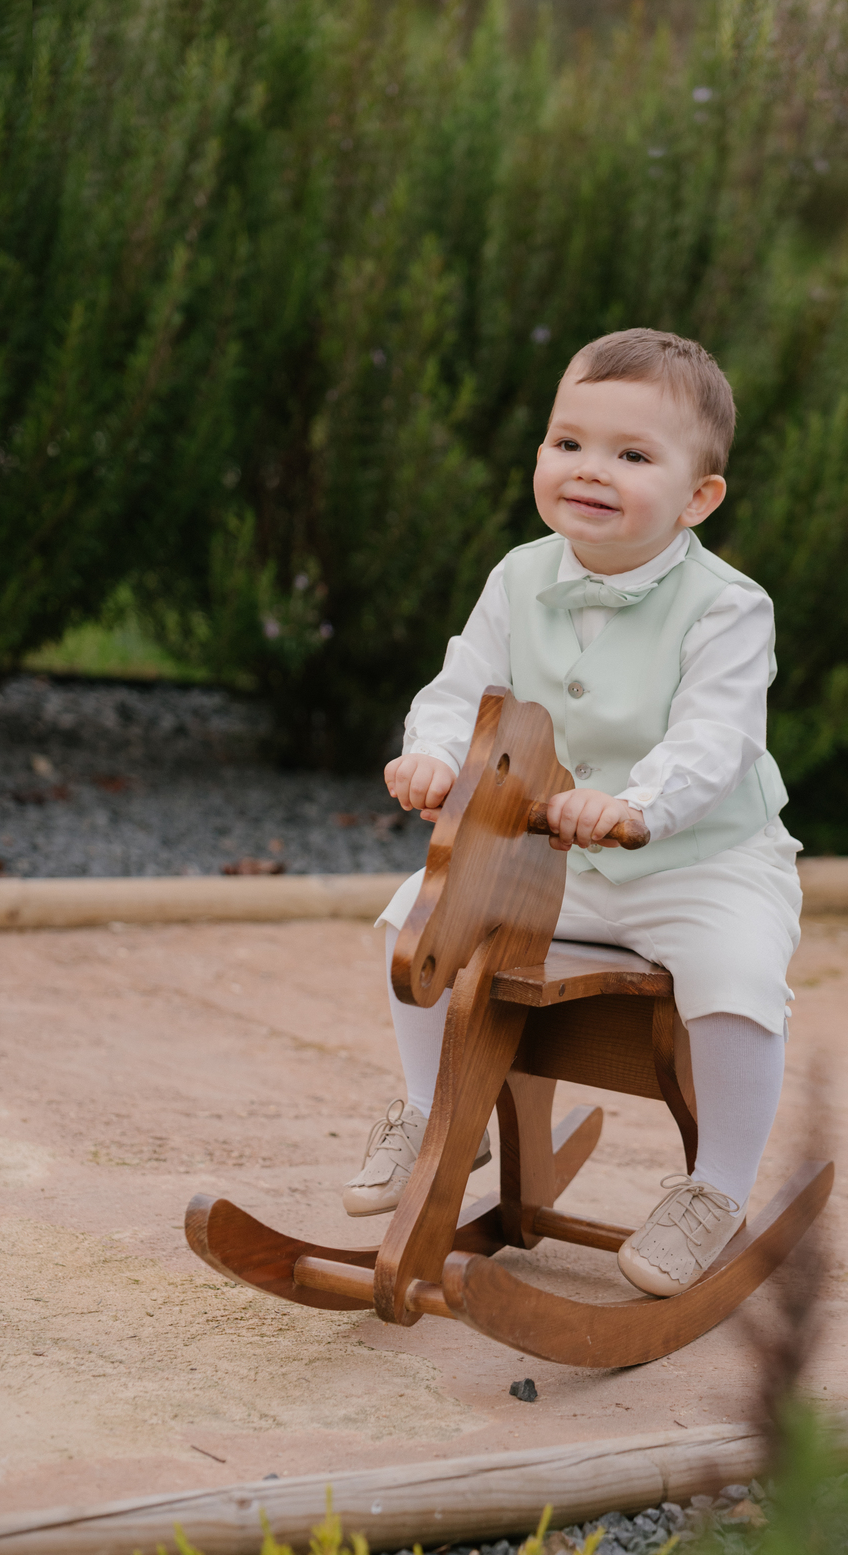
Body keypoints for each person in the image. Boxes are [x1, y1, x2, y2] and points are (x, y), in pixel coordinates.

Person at [343, 327, 802, 1299]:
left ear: (698, 496)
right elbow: (463, 687)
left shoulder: (728, 608)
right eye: (570, 443)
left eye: (633, 456)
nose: (591, 470)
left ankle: (714, 1186)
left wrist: (636, 805)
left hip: (702, 864)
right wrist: (432, 757)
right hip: (559, 863)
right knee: (413, 919)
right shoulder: (520, 577)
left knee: (737, 978)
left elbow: (712, 743)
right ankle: (435, 1114)